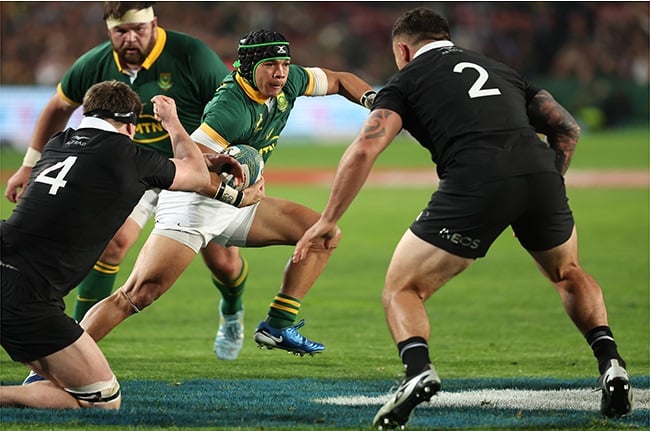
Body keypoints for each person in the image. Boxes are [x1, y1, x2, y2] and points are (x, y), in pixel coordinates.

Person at [293, 7, 633, 429]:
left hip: (476, 183)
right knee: (567, 271)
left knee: (403, 288)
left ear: (402, 48)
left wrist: (328, 218)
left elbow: (365, 148)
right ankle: (611, 362)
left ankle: (417, 371)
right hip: (541, 175)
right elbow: (567, 128)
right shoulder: (499, 68)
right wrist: (547, 187)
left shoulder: (406, 81)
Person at [77, 29, 376, 360]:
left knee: (323, 234)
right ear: (248, 66)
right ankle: (58, 359)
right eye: (270, 65)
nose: (279, 72)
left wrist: (373, 101)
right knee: (137, 295)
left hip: (238, 198)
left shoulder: (288, 81)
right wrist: (240, 195)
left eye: (285, 63)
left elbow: (339, 79)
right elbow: (193, 170)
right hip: (194, 204)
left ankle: (277, 324)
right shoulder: (229, 108)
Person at [3, 2, 251, 360]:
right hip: (128, 171)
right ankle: (75, 342)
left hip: (190, 168)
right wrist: (28, 165)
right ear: (108, 30)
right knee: (112, 244)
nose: (131, 37)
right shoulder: (94, 63)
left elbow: (233, 103)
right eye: (121, 31)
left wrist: (229, 157)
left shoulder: (191, 55)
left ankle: (232, 309)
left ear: (155, 24)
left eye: (139, 29)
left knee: (224, 264)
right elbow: (57, 107)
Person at [0, 81, 259, 409]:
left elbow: (140, 165)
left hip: (8, 260)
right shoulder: (128, 155)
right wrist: (172, 123)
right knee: (101, 398)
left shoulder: (58, 143)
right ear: (131, 126)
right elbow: (188, 173)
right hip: (25, 297)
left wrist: (204, 160)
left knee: (50, 364)